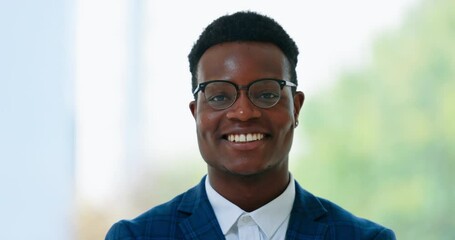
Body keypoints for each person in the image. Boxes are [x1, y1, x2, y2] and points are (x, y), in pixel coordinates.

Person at [105, 11, 396, 240]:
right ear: (196, 113)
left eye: (267, 94)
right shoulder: (136, 236)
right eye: (219, 95)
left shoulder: (364, 238)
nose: (243, 113)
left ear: (296, 107)